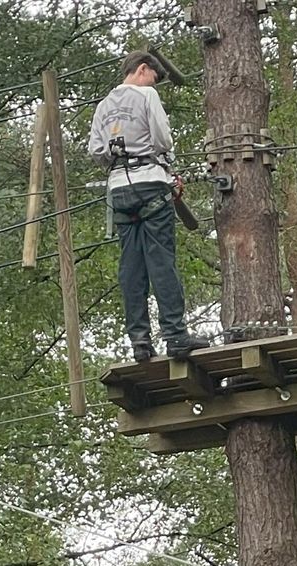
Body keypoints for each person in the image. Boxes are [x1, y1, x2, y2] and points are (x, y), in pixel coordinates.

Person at [88, 52, 210, 364]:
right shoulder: (146, 95)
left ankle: (140, 342)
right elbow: (163, 139)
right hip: (151, 182)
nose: (153, 82)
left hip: (118, 190)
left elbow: (96, 151)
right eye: (153, 76)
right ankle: (175, 335)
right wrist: (159, 158)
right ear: (143, 69)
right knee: (161, 261)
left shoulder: (103, 105)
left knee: (131, 266)